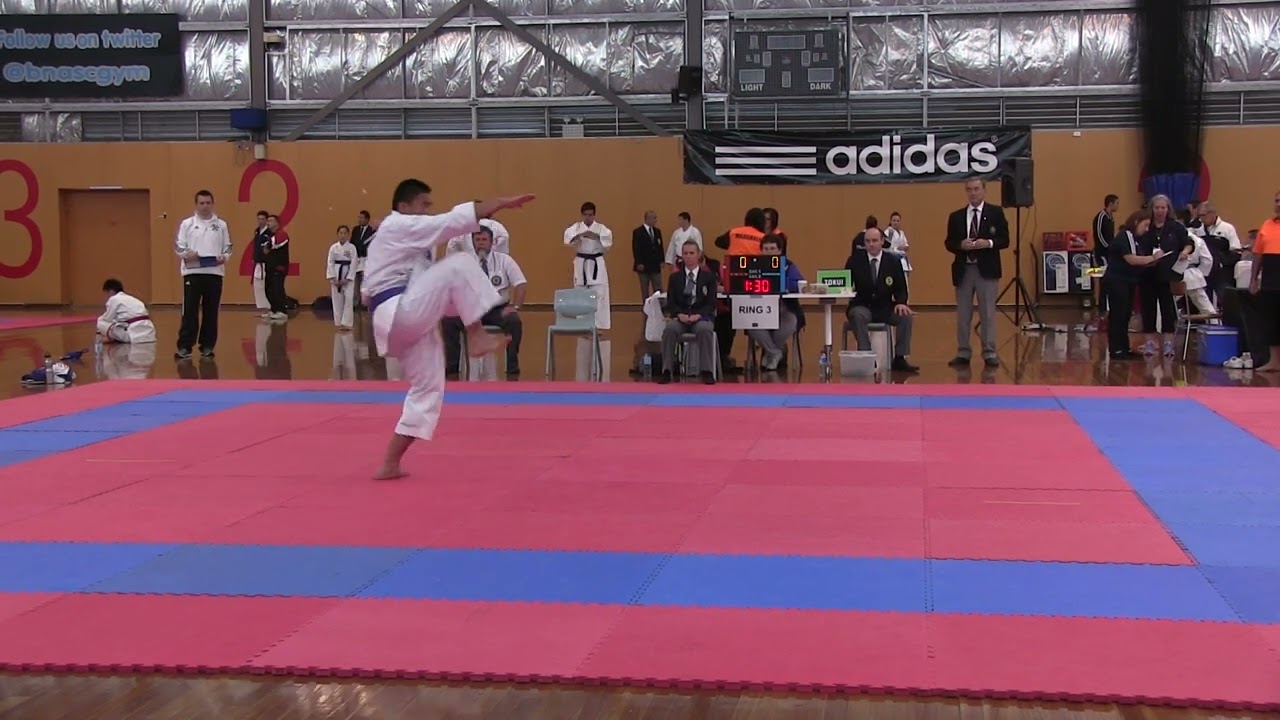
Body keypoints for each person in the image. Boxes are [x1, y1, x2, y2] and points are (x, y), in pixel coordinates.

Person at [363, 179, 534, 480]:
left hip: (402, 319)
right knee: (460, 265)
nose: (428, 210)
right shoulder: (400, 225)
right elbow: (453, 221)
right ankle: (476, 334)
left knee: (428, 389)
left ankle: (390, 462)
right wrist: (500, 202)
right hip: (397, 308)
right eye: (423, 204)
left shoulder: (401, 233)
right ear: (404, 207)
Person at [443, 226, 528, 376]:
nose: (481, 243)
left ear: (492, 242)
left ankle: (512, 367)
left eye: (484, 240)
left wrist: (515, 306)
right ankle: (452, 369)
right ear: (473, 242)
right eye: (477, 240)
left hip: (497, 309)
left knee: (514, 322)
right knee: (449, 321)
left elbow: (521, 284)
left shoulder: (504, 260)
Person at [945, 177, 1009, 368]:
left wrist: (987, 243)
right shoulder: (956, 216)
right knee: (963, 314)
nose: (973, 193)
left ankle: (989, 352)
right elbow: (949, 243)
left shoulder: (996, 213)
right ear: (966, 192)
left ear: (984, 190)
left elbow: (1005, 239)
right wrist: (960, 245)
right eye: (969, 189)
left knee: (987, 313)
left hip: (987, 270)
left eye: (976, 189)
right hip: (964, 269)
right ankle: (963, 352)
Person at [845, 227, 918, 373]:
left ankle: (899, 357)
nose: (871, 244)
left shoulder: (892, 261)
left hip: (885, 307)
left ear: (882, 241)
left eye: (874, 241)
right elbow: (845, 283)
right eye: (867, 241)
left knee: (905, 316)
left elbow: (901, 288)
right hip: (862, 305)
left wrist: (901, 302)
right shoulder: (855, 261)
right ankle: (866, 356)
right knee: (857, 315)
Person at [174, 189, 232, 360]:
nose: (205, 206)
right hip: (192, 273)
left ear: (212, 204)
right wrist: (187, 253)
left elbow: (228, 246)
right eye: (202, 203)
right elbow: (179, 245)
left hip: (214, 273)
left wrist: (225, 257)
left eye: (208, 203)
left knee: (211, 311)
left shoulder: (221, 225)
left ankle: (207, 346)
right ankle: (185, 346)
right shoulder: (187, 224)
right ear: (196, 204)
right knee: (190, 311)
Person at [1105, 210, 1164, 360]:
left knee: (1125, 315)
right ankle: (1116, 349)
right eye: (1145, 225)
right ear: (1137, 222)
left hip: (1128, 281)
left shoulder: (1135, 240)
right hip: (1118, 280)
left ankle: (1123, 347)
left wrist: (1152, 262)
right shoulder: (1126, 236)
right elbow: (1131, 259)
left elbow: (1139, 260)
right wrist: (1152, 258)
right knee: (1118, 315)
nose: (1146, 229)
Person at [659, 240, 718, 385]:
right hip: (681, 318)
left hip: (701, 317)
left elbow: (711, 303)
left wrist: (699, 315)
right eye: (685, 253)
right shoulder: (675, 278)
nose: (689, 256)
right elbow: (671, 302)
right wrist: (679, 315)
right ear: (681, 256)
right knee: (669, 329)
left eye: (692, 253)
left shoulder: (709, 278)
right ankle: (666, 370)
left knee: (705, 330)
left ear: (698, 255)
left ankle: (707, 371)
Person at [1137, 194, 1190, 357]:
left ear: (1168, 209)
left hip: (1167, 274)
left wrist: (1184, 252)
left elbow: (1188, 243)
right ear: (1152, 209)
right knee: (1148, 309)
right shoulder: (1146, 226)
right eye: (1157, 208)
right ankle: (1150, 343)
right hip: (1147, 273)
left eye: (1163, 208)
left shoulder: (1175, 227)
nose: (1160, 211)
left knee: (1168, 309)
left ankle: (1168, 343)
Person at [746, 236, 804, 372]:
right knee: (750, 324)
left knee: (790, 323)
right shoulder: (753, 265)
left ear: (779, 250)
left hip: (784, 309)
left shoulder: (788, 265)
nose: (769, 252)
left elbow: (799, 284)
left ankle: (770, 352)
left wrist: (780, 281)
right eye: (766, 249)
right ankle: (775, 352)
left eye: (772, 248)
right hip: (759, 311)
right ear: (761, 251)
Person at [563, 201, 613, 330]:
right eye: (585, 215)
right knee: (581, 294)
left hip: (597, 263)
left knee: (599, 294)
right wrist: (579, 235)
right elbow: (567, 239)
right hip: (581, 263)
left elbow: (608, 242)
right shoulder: (576, 227)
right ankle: (583, 325)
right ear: (582, 215)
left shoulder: (601, 228)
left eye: (590, 215)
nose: (588, 218)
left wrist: (595, 236)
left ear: (594, 215)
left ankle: (598, 326)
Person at [1246, 190, 1280, 373]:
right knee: (1271, 321)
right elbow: (1258, 254)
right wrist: (1253, 279)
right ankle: (1274, 362)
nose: (1278, 204)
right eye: (1276, 201)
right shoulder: (1267, 225)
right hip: (1271, 280)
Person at [96, 278, 156, 345]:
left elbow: (107, 318)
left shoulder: (113, 299)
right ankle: (114, 337)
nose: (107, 296)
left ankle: (110, 337)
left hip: (133, 335)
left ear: (110, 291)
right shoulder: (133, 299)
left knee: (100, 322)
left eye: (106, 293)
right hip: (149, 334)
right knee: (115, 324)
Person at [326, 224, 358, 329]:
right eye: (341, 233)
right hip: (336, 272)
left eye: (345, 233)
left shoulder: (352, 248)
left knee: (348, 299)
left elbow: (354, 263)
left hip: (347, 273)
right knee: (337, 300)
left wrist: (348, 278)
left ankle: (347, 323)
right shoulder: (333, 248)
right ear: (337, 234)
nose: (343, 235)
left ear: (348, 235)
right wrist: (333, 278)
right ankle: (339, 322)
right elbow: (330, 262)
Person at [632, 210, 665, 300]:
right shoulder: (638, 232)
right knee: (645, 289)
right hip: (643, 266)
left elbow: (660, 247)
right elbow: (636, 248)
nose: (655, 220)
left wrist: (662, 260)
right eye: (654, 218)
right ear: (648, 218)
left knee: (658, 288)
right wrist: (639, 263)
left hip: (655, 265)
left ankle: (659, 309)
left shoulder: (657, 231)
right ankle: (646, 310)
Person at [263, 213, 291, 320]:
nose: (268, 223)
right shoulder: (271, 235)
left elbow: (272, 245)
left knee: (277, 289)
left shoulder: (282, 234)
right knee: (268, 289)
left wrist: (267, 246)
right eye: (268, 221)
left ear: (277, 223)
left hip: (279, 267)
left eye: (270, 221)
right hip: (270, 267)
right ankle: (274, 309)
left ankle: (282, 310)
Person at [250, 210, 271, 315]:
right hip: (257, 262)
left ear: (267, 220)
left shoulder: (269, 233)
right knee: (257, 285)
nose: (260, 221)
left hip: (265, 264)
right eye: (259, 219)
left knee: (264, 285)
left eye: (263, 219)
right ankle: (262, 308)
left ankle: (268, 308)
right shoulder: (257, 231)